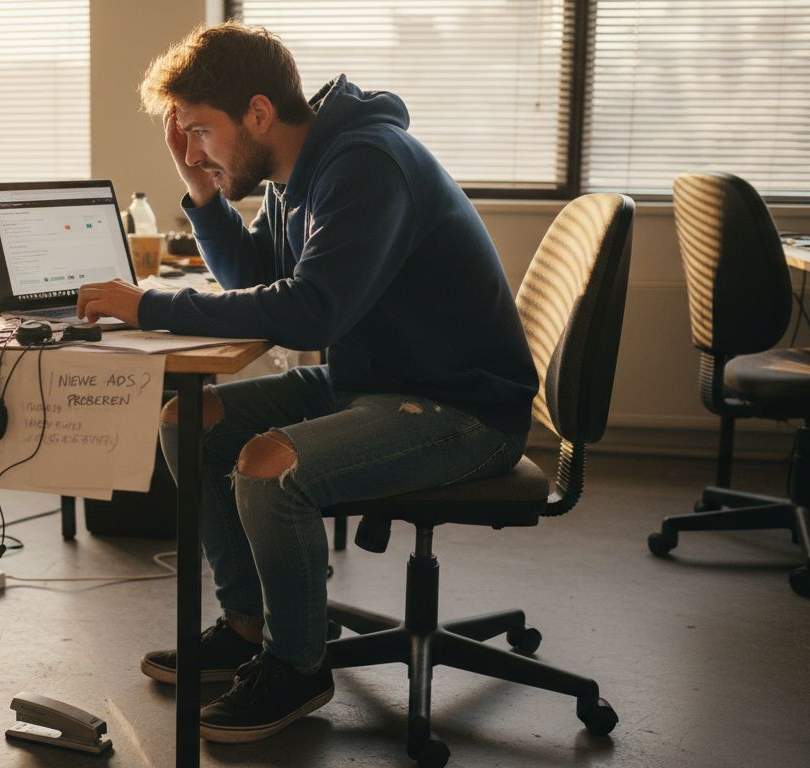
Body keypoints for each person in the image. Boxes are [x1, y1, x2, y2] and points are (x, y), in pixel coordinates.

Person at [76, 23, 538, 743]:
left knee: (268, 464)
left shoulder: (366, 163)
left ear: (258, 114)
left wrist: (148, 304)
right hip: (376, 380)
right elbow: (256, 277)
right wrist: (201, 187)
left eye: (202, 131)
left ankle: (297, 666)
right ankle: (249, 622)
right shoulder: (306, 168)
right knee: (185, 421)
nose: (192, 146)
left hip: (463, 407)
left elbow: (311, 308)